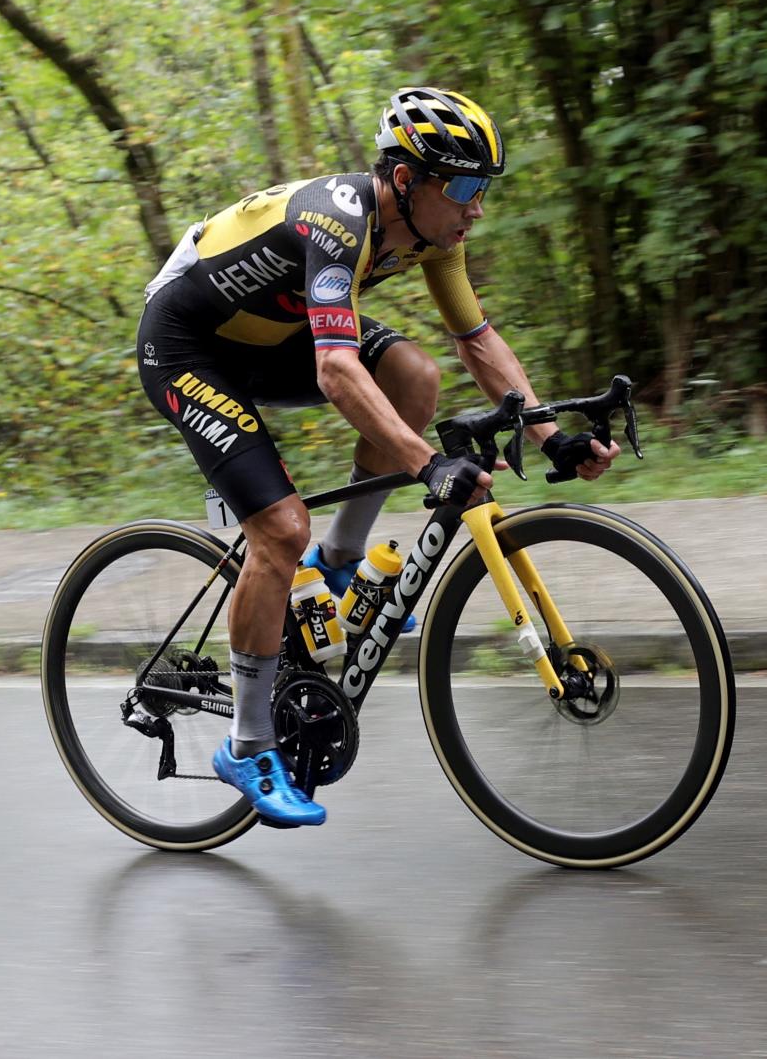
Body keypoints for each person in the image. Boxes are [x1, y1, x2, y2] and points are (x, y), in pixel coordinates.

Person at [138, 88, 621, 827]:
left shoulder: (434, 237)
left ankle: (340, 561)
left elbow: (478, 342)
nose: (477, 207)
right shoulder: (334, 220)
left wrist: (552, 436)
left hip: (270, 338)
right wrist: (426, 464)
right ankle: (247, 740)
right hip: (187, 346)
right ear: (406, 179)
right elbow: (335, 372)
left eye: (484, 188)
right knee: (278, 530)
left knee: (416, 374)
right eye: (464, 187)